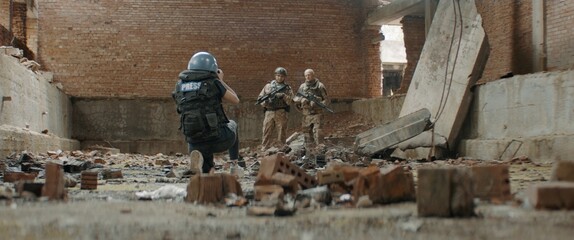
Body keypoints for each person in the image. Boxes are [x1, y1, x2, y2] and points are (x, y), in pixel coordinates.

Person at [172, 51, 240, 174]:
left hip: (193, 143)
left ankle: (201, 164)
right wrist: (220, 81)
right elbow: (235, 99)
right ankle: (235, 165)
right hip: (218, 140)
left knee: (207, 169)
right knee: (233, 124)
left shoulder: (179, 85)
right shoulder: (213, 82)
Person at [257, 67, 294, 150]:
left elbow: (291, 101)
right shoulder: (268, 86)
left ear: (284, 77)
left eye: (282, 76)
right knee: (266, 130)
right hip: (269, 111)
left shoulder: (287, 88)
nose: (279, 78)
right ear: (275, 76)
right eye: (278, 75)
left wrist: (283, 96)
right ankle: (264, 148)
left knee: (281, 131)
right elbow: (260, 98)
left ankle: (281, 148)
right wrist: (265, 102)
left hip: (281, 111)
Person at [293, 69, 329, 148]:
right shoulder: (302, 86)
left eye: (309, 75)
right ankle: (309, 152)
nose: (307, 77)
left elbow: (326, 100)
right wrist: (302, 100)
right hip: (307, 114)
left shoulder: (320, 86)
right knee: (307, 134)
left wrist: (317, 104)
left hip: (317, 114)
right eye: (306, 75)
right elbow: (296, 99)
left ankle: (319, 150)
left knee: (318, 133)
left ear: (313, 75)